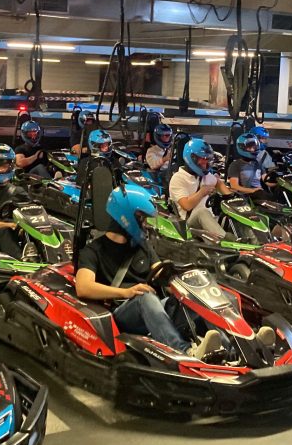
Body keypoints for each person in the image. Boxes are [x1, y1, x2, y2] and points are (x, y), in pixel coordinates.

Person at [75, 184, 222, 359]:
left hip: (153, 308)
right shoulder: (93, 251)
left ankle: (229, 347)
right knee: (145, 297)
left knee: (196, 296)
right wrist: (126, 292)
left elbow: (159, 270)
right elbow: (83, 287)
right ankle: (185, 352)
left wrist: (184, 285)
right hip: (122, 313)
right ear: (126, 217)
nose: (145, 224)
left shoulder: (142, 246)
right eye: (142, 219)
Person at [168, 138, 233, 239]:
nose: (206, 162)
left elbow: (218, 183)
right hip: (190, 224)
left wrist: (231, 197)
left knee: (234, 217)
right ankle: (226, 241)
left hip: (211, 219)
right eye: (203, 159)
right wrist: (202, 192)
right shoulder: (178, 178)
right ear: (192, 158)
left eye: (208, 159)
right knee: (202, 212)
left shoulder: (206, 176)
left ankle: (255, 244)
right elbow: (186, 205)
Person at [227, 132, 277, 202]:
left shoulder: (258, 164)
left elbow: (267, 182)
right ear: (242, 147)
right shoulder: (235, 165)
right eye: (250, 147)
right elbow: (234, 186)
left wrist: (278, 181)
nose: (253, 150)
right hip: (245, 196)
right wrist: (253, 190)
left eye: (254, 147)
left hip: (259, 194)